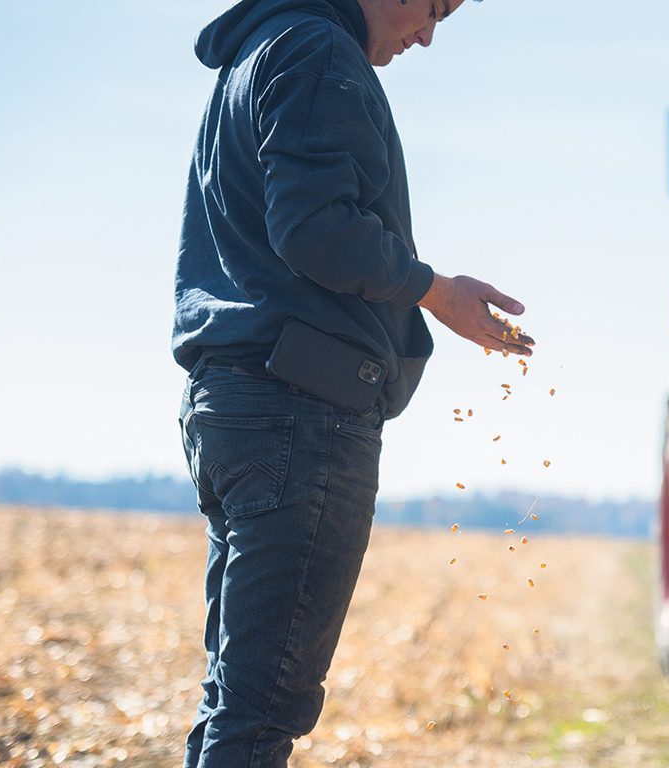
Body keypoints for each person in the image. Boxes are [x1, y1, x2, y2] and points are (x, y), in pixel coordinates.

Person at [171, 0, 533, 765]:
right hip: (298, 413)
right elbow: (317, 231)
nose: (429, 35)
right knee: (261, 713)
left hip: (239, 406)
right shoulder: (317, 53)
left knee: (236, 701)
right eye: (435, 7)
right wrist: (436, 290)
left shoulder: (263, 51)